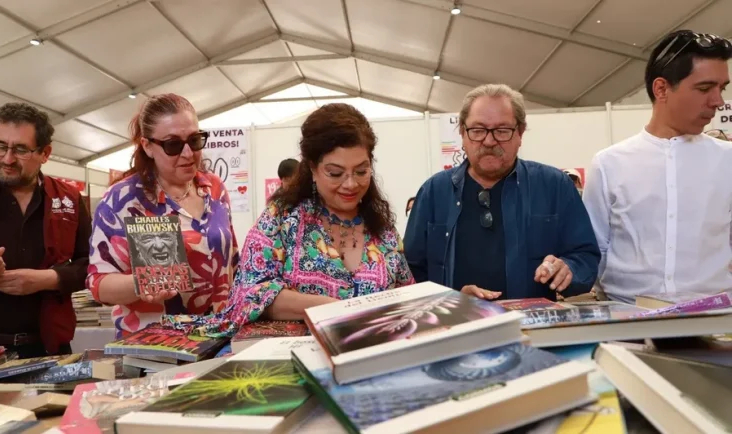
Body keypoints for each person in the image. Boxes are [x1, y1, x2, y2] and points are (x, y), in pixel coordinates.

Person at [165, 103, 414, 337]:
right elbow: (249, 293)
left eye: (361, 171)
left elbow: (407, 297)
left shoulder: (382, 230)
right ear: (313, 169)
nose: (350, 184)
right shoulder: (282, 219)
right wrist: (333, 309)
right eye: (335, 173)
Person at [404, 84, 600, 301]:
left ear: (520, 133)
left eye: (502, 131)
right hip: (456, 329)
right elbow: (410, 275)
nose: (489, 141)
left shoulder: (554, 186)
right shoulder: (434, 193)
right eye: (477, 130)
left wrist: (570, 269)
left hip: (532, 330)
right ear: (462, 133)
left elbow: (586, 256)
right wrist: (454, 300)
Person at [583, 30, 732, 303]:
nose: (718, 101)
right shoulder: (610, 164)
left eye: (721, 88)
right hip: (628, 323)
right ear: (661, 89)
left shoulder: (728, 160)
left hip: (715, 322)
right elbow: (593, 249)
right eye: (704, 88)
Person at [87, 93, 239, 338]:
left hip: (218, 337)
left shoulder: (214, 188)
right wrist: (140, 283)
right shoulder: (124, 199)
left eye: (195, 140)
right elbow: (99, 284)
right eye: (173, 144)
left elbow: (233, 262)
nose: (189, 153)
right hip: (156, 347)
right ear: (148, 146)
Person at [0, 102, 91, 357]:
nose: (8, 159)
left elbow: (91, 263)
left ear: (45, 153)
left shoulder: (68, 199)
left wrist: (49, 279)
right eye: (0, 146)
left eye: (21, 150)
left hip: (48, 347)